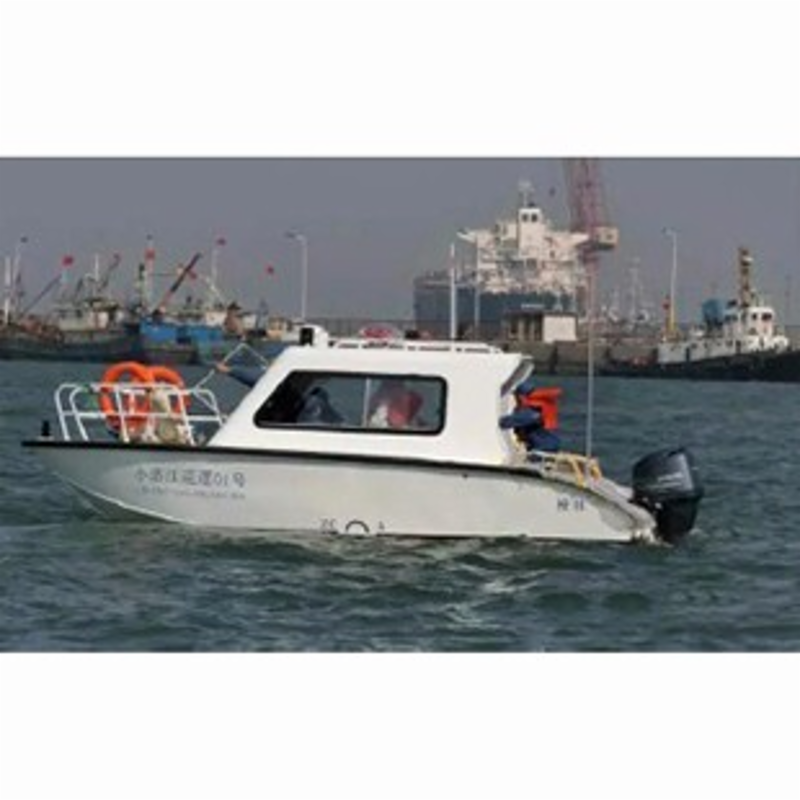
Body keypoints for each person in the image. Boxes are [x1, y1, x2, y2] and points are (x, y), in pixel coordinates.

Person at [499, 378, 561, 455]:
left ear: (521, 397)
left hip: (543, 449)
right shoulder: (541, 408)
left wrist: (494, 421)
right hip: (550, 447)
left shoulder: (534, 412)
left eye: (516, 397)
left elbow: (506, 422)